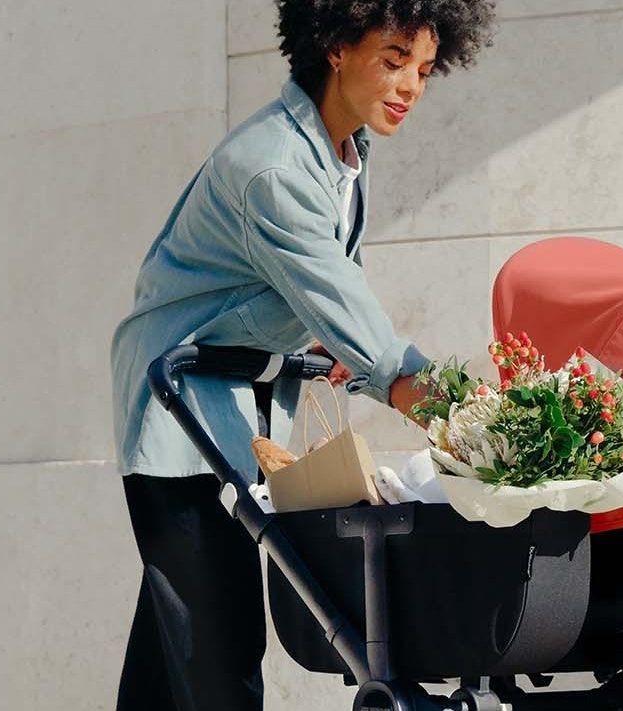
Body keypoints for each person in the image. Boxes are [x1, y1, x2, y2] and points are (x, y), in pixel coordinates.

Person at [109, 1, 497, 708]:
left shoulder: (343, 152)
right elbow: (368, 335)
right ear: (337, 46)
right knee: (219, 654)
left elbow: (312, 286)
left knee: (171, 664)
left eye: (423, 69)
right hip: (180, 412)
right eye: (394, 60)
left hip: (228, 403)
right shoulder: (275, 167)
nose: (411, 86)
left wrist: (321, 334)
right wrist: (481, 427)